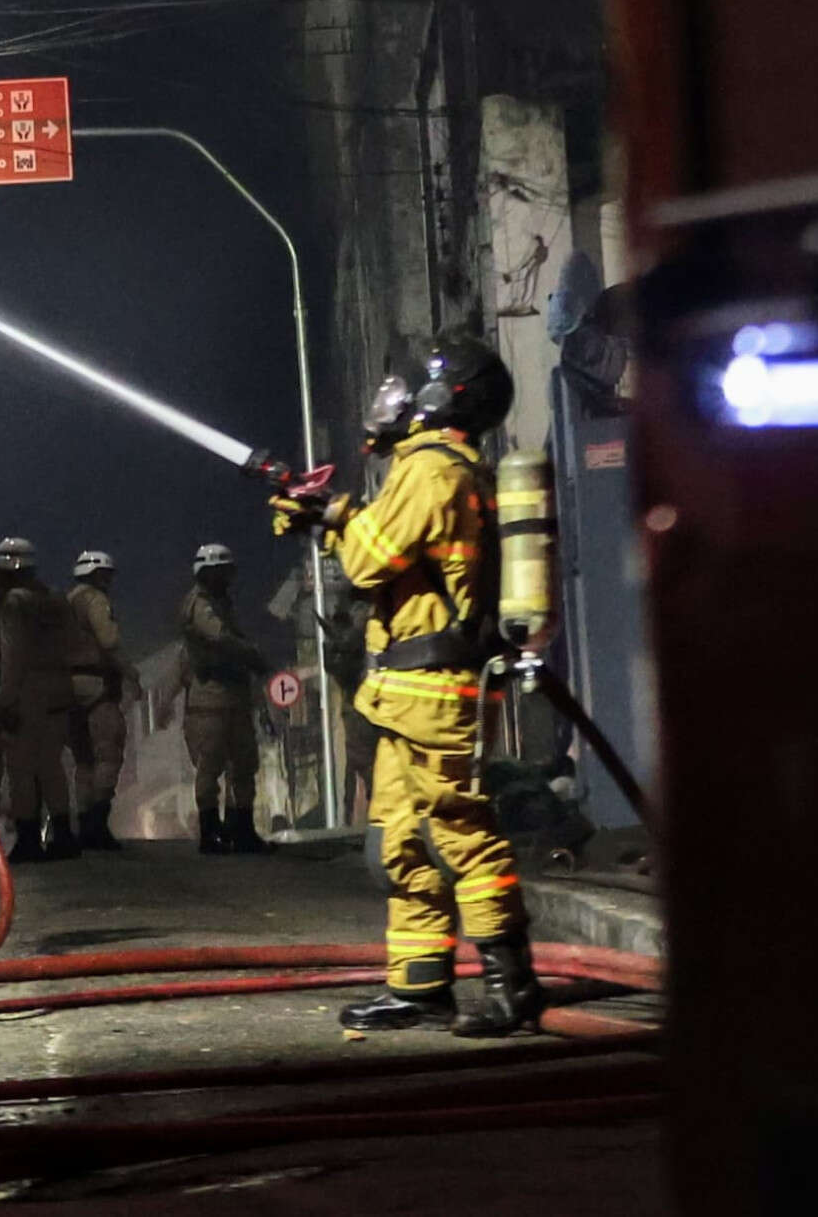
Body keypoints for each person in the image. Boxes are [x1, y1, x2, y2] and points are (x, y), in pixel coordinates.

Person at [281, 335, 543, 1035]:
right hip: (405, 689)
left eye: (411, 386)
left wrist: (331, 516)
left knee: (461, 833)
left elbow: (370, 560)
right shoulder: (425, 468)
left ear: (443, 396)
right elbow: (386, 559)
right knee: (402, 840)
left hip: (435, 691)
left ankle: (512, 986)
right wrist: (323, 517)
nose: (393, 397)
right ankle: (421, 985)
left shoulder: (431, 470)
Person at [172, 544, 271, 854]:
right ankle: (210, 831)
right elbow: (218, 637)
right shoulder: (200, 604)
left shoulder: (219, 602)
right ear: (211, 572)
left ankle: (242, 828)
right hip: (211, 696)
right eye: (224, 571)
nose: (229, 577)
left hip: (232, 696)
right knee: (210, 764)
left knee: (243, 764)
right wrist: (251, 654)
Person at [0, 539, 79, 862]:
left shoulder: (15, 603)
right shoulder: (54, 599)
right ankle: (63, 834)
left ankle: (28, 839)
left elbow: (14, 655)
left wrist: (5, 700)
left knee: (22, 768)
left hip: (27, 693)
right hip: (58, 689)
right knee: (52, 766)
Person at [63, 550, 134, 852]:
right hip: (97, 685)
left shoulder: (66, 603)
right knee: (108, 753)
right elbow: (109, 641)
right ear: (98, 575)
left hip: (66, 686)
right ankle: (96, 824)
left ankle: (84, 823)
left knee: (83, 760)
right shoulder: (94, 600)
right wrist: (129, 672)